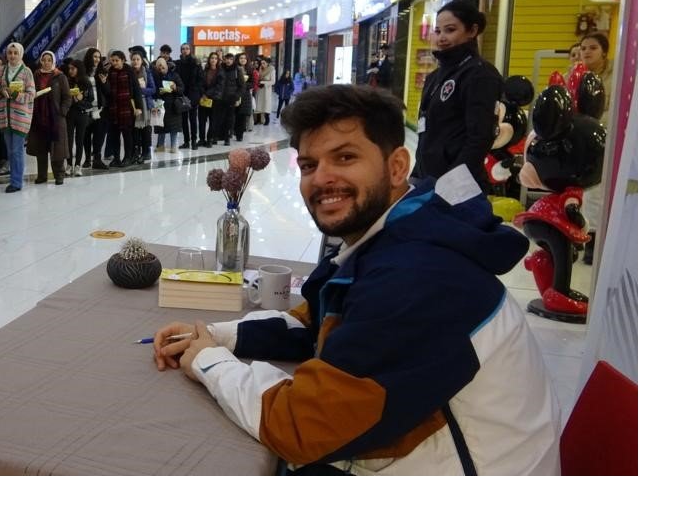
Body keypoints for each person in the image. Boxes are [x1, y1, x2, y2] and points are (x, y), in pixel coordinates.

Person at [150, 84, 560, 475]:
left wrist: (207, 361)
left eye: (345, 158)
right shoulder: (395, 234)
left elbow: (301, 425)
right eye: (309, 165)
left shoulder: (419, 276)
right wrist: (218, 336)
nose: (322, 178)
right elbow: (319, 322)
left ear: (397, 166)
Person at [413, 0, 504, 190]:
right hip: (428, 180)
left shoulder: (480, 74)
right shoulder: (434, 78)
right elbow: (427, 132)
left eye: (450, 30)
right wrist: (416, 175)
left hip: (458, 188)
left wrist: (451, 184)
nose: (441, 37)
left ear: (472, 31)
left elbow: (480, 138)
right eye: (438, 31)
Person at [577, 31, 613, 264]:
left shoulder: (615, 76)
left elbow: (615, 108)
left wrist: (593, 124)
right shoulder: (576, 74)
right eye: (584, 48)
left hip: (604, 139)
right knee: (579, 193)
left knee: (596, 193)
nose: (587, 52)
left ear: (604, 52)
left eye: (593, 48)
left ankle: (594, 239)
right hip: (579, 139)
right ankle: (580, 236)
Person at [0, 42, 35, 192]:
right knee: (10, 150)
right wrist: (1, 92)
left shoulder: (26, 72)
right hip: (5, 117)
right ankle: (14, 179)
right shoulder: (2, 71)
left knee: (16, 150)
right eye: (10, 53)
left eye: (15, 53)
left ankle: (16, 182)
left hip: (20, 117)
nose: (12, 56)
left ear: (20, 54)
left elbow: (31, 94)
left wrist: (16, 95)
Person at [27, 51, 72, 185]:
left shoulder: (60, 76)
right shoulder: (36, 75)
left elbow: (67, 97)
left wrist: (62, 112)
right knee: (41, 148)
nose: (46, 63)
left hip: (55, 118)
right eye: (44, 60)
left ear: (53, 62)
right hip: (40, 116)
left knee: (56, 149)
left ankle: (59, 174)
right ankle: (42, 175)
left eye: (49, 60)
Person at [104, 50, 143, 167]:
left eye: (116, 60)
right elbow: (107, 91)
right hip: (113, 108)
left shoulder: (129, 71)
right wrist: (104, 82)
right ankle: (116, 158)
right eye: (112, 61)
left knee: (127, 135)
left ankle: (128, 157)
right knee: (114, 135)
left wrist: (139, 107)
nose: (114, 63)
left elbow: (136, 90)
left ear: (122, 60)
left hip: (127, 108)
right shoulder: (110, 72)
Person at [64, 58, 94, 176]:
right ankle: (69, 164)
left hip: (82, 114)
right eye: (69, 69)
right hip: (70, 114)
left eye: (73, 68)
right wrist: (74, 99)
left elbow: (90, 100)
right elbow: (64, 99)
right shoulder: (67, 81)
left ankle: (77, 166)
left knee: (80, 140)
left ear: (79, 69)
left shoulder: (86, 82)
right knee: (69, 141)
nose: (70, 71)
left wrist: (78, 100)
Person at [84, 48, 111, 169]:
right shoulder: (83, 71)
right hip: (86, 109)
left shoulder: (103, 72)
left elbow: (108, 92)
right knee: (86, 135)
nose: (97, 59)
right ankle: (87, 159)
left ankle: (97, 159)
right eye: (95, 56)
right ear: (90, 57)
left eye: (99, 57)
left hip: (99, 110)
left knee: (99, 135)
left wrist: (104, 82)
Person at [129, 50, 157, 163]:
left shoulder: (147, 72)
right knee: (134, 130)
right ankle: (136, 152)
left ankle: (146, 153)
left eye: (138, 59)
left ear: (141, 61)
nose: (135, 61)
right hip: (133, 104)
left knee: (145, 130)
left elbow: (153, 89)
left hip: (145, 105)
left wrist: (141, 90)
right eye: (133, 59)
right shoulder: (129, 72)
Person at [152, 57, 184, 153]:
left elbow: (182, 89)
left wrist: (175, 88)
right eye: (159, 68)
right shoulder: (155, 76)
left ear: (166, 66)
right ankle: (160, 145)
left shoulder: (174, 75)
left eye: (163, 67)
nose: (161, 69)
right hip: (159, 103)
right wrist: (159, 92)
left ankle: (174, 146)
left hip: (173, 105)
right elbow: (153, 90)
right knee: (160, 126)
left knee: (174, 127)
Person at [176, 43, 201, 149]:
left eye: (187, 48)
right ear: (181, 51)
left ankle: (194, 140)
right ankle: (186, 141)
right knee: (184, 119)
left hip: (193, 94)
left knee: (193, 119)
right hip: (182, 94)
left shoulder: (196, 63)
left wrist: (198, 93)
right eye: (183, 49)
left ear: (190, 50)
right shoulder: (178, 64)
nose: (185, 50)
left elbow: (200, 79)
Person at [197, 52, 220, 148]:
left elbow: (218, 86)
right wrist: (203, 93)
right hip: (203, 98)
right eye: (212, 58)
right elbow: (200, 83)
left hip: (214, 99)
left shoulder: (220, 72)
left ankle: (209, 139)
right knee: (201, 120)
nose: (213, 60)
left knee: (213, 121)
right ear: (209, 59)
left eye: (215, 58)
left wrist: (207, 94)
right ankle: (202, 139)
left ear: (217, 60)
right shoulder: (204, 70)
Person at [235, 52, 254, 140]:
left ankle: (240, 135)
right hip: (236, 93)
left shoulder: (250, 70)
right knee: (234, 114)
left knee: (242, 115)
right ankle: (233, 131)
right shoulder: (234, 69)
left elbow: (252, 83)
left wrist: (244, 84)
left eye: (244, 58)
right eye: (241, 58)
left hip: (245, 94)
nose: (243, 60)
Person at [255, 57, 273, 127]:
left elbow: (273, 81)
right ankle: (258, 119)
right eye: (261, 63)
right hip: (259, 89)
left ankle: (267, 120)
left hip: (266, 90)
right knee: (258, 104)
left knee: (266, 105)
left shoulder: (272, 70)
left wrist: (264, 82)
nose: (262, 64)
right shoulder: (260, 69)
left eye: (264, 63)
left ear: (267, 63)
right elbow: (257, 78)